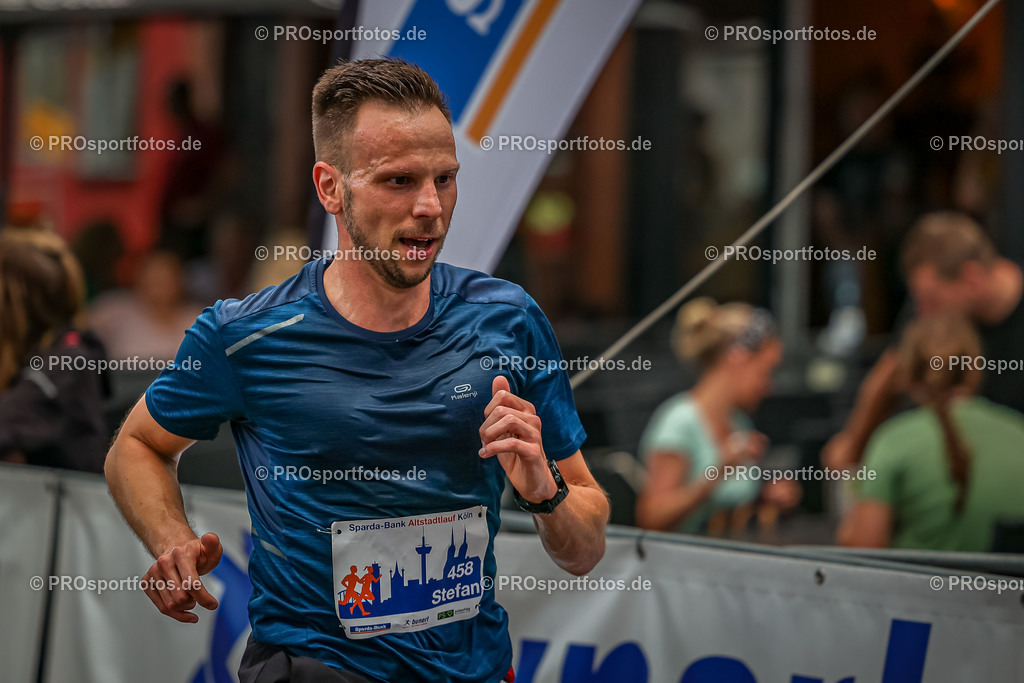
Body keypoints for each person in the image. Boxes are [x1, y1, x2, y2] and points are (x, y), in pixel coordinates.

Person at [104, 59, 609, 683]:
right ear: (330, 188)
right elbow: (138, 445)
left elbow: (585, 550)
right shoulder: (246, 335)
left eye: (445, 178)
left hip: (475, 670)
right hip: (315, 668)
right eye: (399, 181)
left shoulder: (508, 319)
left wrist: (545, 491)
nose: (430, 206)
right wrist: (171, 540)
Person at [824, 212, 1024, 471]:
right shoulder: (928, 312)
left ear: (971, 278)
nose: (922, 313)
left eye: (932, 300)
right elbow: (887, 375)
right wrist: (851, 445)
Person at [837, 314, 1024, 551]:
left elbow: (861, 553)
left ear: (909, 377)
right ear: (975, 370)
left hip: (917, 588)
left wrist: (846, 487)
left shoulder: (893, 441)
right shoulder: (1019, 431)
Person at [635, 298, 800, 535]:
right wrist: (716, 473)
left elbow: (724, 507)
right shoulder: (678, 423)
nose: (768, 386)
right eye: (766, 371)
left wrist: (766, 497)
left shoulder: (737, 421)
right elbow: (651, 518)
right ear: (738, 358)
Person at [0, 228, 109, 472]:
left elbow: (7, 423)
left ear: (13, 306)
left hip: (76, 505)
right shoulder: (28, 355)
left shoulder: (71, 360)